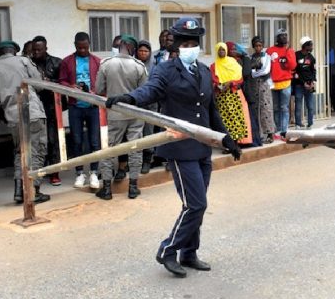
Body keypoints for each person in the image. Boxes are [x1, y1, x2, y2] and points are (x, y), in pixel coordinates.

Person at [105, 17, 241, 278]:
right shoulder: (166, 70)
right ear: (177, 46)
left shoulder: (202, 71)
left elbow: (211, 109)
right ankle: (168, 250)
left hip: (202, 149)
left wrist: (226, 138)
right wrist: (129, 98)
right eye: (186, 43)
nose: (191, 47)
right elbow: (150, 91)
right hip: (179, 148)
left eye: (194, 43)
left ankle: (189, 253)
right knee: (196, 204)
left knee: (196, 203)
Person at [0, 40, 50, 204]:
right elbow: (40, 84)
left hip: (12, 116)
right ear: (14, 50)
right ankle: (33, 191)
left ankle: (19, 191)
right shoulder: (23, 60)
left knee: (19, 151)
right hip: (33, 112)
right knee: (37, 151)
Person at [96, 35, 148, 200]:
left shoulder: (106, 64)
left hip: (114, 114)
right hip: (135, 113)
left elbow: (98, 89)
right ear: (132, 49)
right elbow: (144, 92)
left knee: (109, 149)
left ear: (120, 47)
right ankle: (133, 187)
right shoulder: (139, 67)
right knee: (135, 149)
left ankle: (106, 189)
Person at [59, 32, 101, 189]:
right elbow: (61, 80)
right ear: (75, 45)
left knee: (94, 141)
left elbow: (102, 82)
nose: (83, 50)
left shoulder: (97, 61)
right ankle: (79, 173)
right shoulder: (67, 61)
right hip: (75, 106)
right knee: (76, 140)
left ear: (89, 44)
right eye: (79, 47)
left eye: (85, 47)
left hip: (92, 106)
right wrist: (71, 87)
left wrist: (94, 91)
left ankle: (94, 172)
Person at [31, 35, 63, 186]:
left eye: (39, 49)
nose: (36, 52)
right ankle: (40, 170)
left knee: (52, 140)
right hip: (34, 107)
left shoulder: (56, 62)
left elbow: (65, 83)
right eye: (34, 50)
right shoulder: (28, 63)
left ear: (46, 48)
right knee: (37, 141)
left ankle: (54, 173)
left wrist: (51, 83)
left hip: (51, 107)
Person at [210, 42, 252, 146]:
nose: (221, 52)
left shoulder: (233, 62)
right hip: (221, 96)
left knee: (236, 119)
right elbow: (213, 79)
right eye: (219, 50)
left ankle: (236, 143)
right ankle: (228, 144)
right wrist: (219, 85)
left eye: (223, 50)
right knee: (224, 120)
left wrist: (230, 83)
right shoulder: (214, 65)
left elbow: (240, 78)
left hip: (234, 94)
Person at [266, 28, 297, 138]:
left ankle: (284, 130)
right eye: (281, 35)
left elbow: (292, 66)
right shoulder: (270, 51)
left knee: (284, 107)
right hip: (273, 84)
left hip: (285, 83)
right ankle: (277, 129)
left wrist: (288, 51)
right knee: (275, 107)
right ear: (277, 38)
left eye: (285, 35)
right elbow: (266, 67)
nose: (284, 37)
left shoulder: (290, 50)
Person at [246, 36, 275, 144]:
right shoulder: (251, 57)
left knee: (266, 108)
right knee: (256, 109)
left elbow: (265, 70)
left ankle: (270, 133)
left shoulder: (267, 56)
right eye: (256, 46)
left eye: (260, 46)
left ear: (262, 46)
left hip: (264, 85)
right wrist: (255, 71)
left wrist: (255, 71)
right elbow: (250, 72)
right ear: (253, 46)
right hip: (254, 86)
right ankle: (259, 134)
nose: (258, 48)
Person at [136, 39, 155, 174]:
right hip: (136, 104)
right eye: (141, 51)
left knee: (148, 132)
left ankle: (147, 161)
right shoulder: (133, 65)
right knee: (135, 133)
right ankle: (135, 162)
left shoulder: (155, 66)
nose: (143, 53)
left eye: (146, 51)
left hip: (151, 104)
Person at [293, 36, 317, 129]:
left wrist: (312, 82)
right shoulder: (296, 55)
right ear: (305, 46)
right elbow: (295, 72)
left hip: (309, 85)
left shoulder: (311, 58)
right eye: (311, 45)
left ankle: (310, 124)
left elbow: (313, 71)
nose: (312, 47)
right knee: (298, 106)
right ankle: (298, 124)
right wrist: (303, 83)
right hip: (299, 85)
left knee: (310, 106)